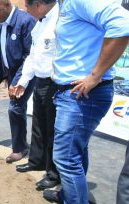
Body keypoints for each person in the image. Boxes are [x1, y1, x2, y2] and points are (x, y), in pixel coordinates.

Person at [41, 1, 129, 203]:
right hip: (75, 93)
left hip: (83, 95)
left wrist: (94, 76)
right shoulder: (64, 3)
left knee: (65, 158)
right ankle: (68, 196)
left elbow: (123, 24)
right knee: (75, 151)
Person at [13, 0, 60, 190]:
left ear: (39, 5)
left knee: (53, 131)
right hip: (40, 81)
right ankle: (36, 161)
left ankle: (53, 174)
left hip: (56, 83)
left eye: (27, 6)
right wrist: (23, 82)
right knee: (38, 126)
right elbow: (32, 56)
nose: (26, 10)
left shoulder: (61, 19)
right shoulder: (38, 25)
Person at [0, 0, 36, 161]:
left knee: (14, 108)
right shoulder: (1, 23)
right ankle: (23, 145)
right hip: (12, 73)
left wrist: (18, 80)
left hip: (26, 72)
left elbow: (30, 55)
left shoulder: (26, 21)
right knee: (18, 109)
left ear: (7, 5)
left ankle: (19, 149)